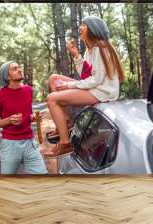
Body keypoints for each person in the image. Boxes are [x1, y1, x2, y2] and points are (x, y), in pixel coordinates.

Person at [44, 16, 125, 158]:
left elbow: (96, 80)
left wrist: (70, 85)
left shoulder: (101, 47)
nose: (80, 27)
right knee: (54, 79)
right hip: (94, 88)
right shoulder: (90, 50)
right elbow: (86, 75)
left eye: (84, 24)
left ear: (93, 28)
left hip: (102, 92)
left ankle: (65, 142)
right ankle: (67, 123)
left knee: (52, 99)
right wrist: (76, 55)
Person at [0, 61, 47, 174]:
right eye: (14, 69)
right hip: (10, 145)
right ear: (7, 76)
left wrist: (33, 117)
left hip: (30, 143)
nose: (19, 70)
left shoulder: (28, 90)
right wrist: (9, 120)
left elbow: (27, 115)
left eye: (19, 67)